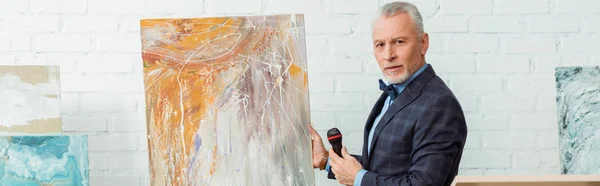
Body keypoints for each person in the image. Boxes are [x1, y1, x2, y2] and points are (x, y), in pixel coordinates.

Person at [308, 1, 468, 186]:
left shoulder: (439, 105)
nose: (388, 55)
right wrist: (324, 159)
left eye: (399, 42)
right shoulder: (393, 93)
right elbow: (383, 167)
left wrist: (359, 179)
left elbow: (422, 184)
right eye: (380, 44)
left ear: (423, 43)